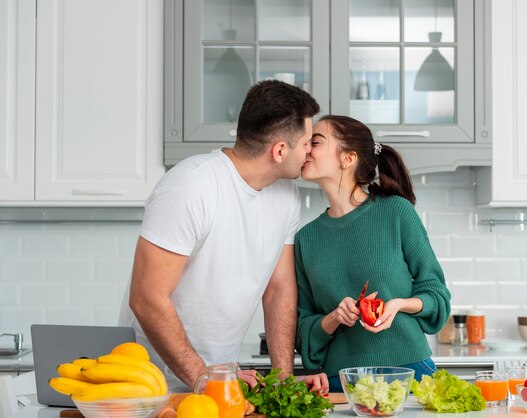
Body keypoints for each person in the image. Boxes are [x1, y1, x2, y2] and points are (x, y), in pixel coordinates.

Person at [119, 80, 328, 393]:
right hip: (151, 383)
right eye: (307, 143)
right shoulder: (192, 185)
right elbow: (147, 299)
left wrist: (282, 377)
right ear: (280, 150)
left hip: (220, 382)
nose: (311, 152)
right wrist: (204, 378)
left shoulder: (287, 196)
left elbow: (279, 289)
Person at [295, 115, 451, 392]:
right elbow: (303, 328)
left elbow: (436, 296)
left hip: (409, 372)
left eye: (315, 142)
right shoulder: (305, 239)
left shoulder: (396, 212)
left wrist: (398, 305)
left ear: (348, 158)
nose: (304, 148)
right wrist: (333, 318)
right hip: (340, 382)